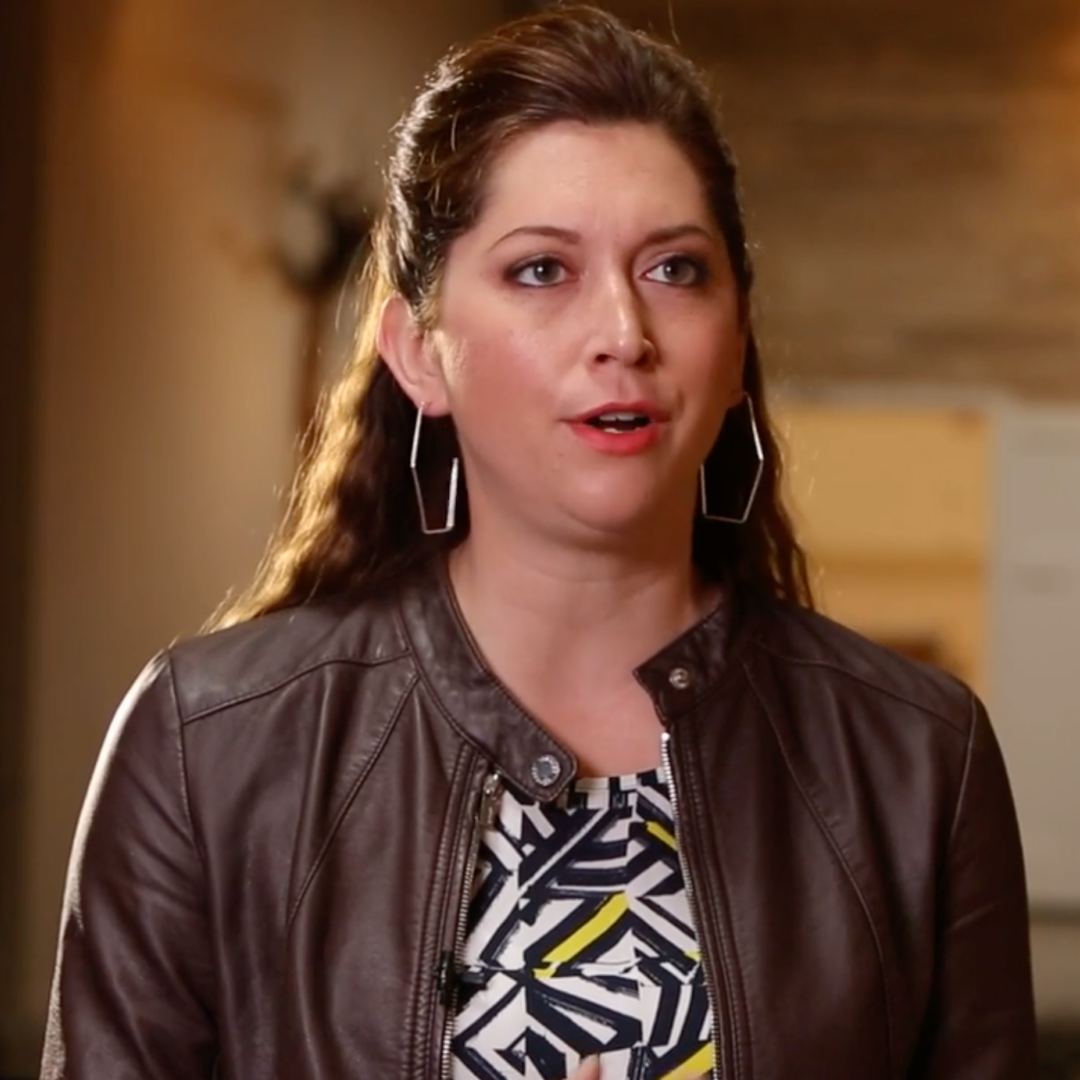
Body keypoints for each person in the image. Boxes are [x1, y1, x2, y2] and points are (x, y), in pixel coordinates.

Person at [41, 6, 1036, 1079]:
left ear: (737, 334)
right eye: (541, 271)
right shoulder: (209, 746)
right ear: (420, 353)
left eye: (675, 269)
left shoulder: (917, 763)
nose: (623, 332)